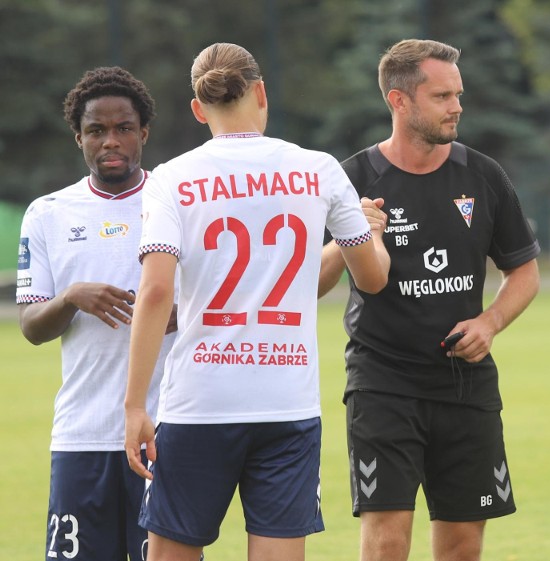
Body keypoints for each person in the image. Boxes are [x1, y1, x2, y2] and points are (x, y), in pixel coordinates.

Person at [123, 42, 390, 561]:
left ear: (199, 109)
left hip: (198, 404)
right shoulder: (318, 169)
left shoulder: (171, 178)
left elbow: (155, 290)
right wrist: (368, 234)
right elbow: (372, 279)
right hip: (286, 403)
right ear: (261, 93)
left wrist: (135, 405)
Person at [319, 39, 541, 561]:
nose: (457, 106)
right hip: (383, 384)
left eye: (458, 94)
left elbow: (524, 271)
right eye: (442, 96)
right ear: (400, 102)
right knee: (388, 540)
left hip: (467, 386)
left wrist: (489, 323)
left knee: (463, 546)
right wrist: (348, 237)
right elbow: (311, 283)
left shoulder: (482, 175)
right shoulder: (351, 180)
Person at [16, 66, 177, 561]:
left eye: (124, 128)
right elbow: (30, 327)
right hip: (81, 435)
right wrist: (68, 298)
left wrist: (179, 310)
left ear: (144, 132)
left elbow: (217, 304)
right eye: (96, 130)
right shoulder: (48, 213)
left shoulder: (176, 201)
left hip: (166, 430)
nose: (111, 141)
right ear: (78, 137)